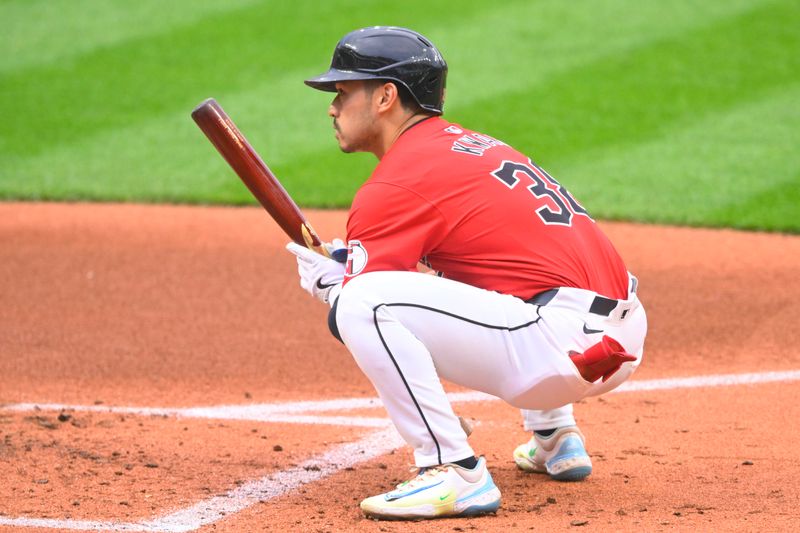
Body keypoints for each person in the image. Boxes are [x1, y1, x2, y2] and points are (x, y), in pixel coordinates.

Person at [286, 26, 647, 521]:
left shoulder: (396, 181)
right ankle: (555, 437)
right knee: (480, 271)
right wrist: (349, 273)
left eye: (344, 92)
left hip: (556, 352)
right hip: (616, 337)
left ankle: (452, 471)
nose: (332, 106)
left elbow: (365, 307)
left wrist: (336, 287)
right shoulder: (473, 146)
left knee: (362, 304)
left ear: (386, 96)